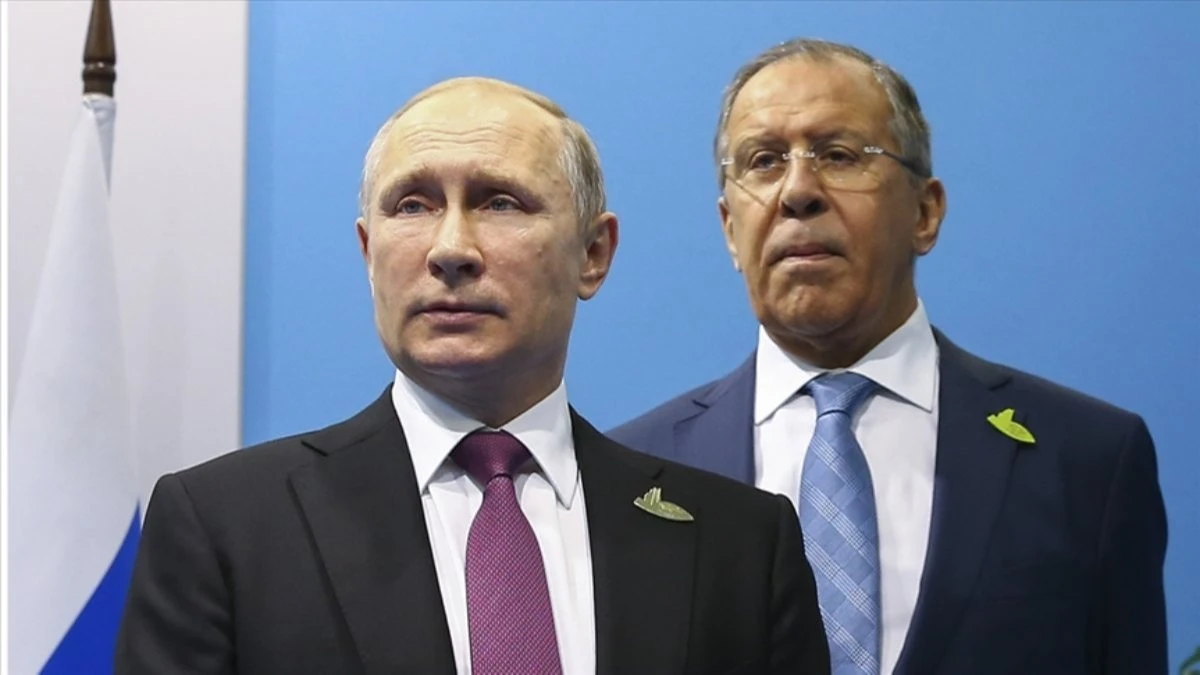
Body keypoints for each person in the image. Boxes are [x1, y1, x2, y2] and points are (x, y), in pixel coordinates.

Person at [115, 76, 830, 674]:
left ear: (593, 254)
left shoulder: (741, 543)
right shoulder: (224, 528)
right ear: (368, 253)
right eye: (412, 206)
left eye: (499, 202)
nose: (450, 249)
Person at [609, 38, 1167, 675]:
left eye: (839, 155)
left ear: (925, 212)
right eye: (763, 161)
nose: (797, 191)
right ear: (730, 230)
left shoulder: (1089, 458)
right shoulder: (632, 477)